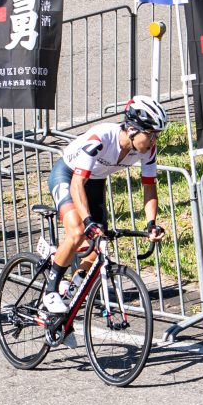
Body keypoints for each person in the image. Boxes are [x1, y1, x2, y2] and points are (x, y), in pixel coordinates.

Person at [41, 95, 169, 314]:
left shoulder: (148, 150)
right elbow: (77, 184)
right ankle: (51, 291)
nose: (153, 140)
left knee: (100, 241)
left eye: (157, 135)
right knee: (78, 231)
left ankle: (72, 291)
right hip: (68, 175)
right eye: (150, 134)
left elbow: (149, 186)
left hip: (95, 180)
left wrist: (151, 223)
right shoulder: (101, 138)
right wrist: (87, 221)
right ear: (132, 129)